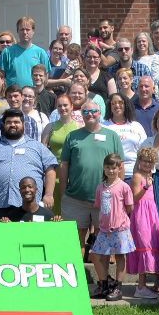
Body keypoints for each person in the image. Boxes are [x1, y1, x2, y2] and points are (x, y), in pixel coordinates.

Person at [0, 109, 58, 222]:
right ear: (3, 125)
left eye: (16, 122)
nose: (12, 125)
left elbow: (50, 169)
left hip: (27, 206)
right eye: (9, 122)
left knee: (26, 239)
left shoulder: (37, 147)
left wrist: (49, 194)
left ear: (23, 124)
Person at [59, 101, 123, 243]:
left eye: (93, 111)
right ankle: (78, 266)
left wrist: (118, 192)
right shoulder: (72, 136)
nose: (90, 115)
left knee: (104, 238)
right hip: (75, 199)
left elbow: (121, 166)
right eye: (86, 112)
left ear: (100, 113)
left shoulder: (112, 136)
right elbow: (64, 165)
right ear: (81, 115)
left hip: (105, 198)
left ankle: (103, 266)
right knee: (75, 239)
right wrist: (63, 192)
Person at [88, 154, 133, 300]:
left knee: (120, 256)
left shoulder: (124, 187)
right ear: (104, 168)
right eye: (108, 168)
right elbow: (99, 207)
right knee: (95, 255)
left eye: (114, 168)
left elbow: (129, 206)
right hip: (104, 228)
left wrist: (120, 219)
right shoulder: (100, 187)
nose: (111, 171)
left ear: (119, 168)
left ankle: (118, 287)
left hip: (120, 228)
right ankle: (104, 284)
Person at [128, 146, 159, 297]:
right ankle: (140, 286)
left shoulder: (150, 176)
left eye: (150, 162)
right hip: (140, 214)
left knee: (151, 245)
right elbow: (134, 198)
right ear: (139, 161)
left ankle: (145, 285)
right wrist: (146, 187)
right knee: (143, 246)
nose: (147, 164)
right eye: (144, 161)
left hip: (151, 213)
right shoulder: (137, 176)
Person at [104, 93, 147, 181]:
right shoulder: (104, 126)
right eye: (113, 103)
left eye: (120, 102)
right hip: (112, 175)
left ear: (126, 105)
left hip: (134, 174)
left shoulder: (136, 126)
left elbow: (145, 150)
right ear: (110, 106)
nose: (117, 105)